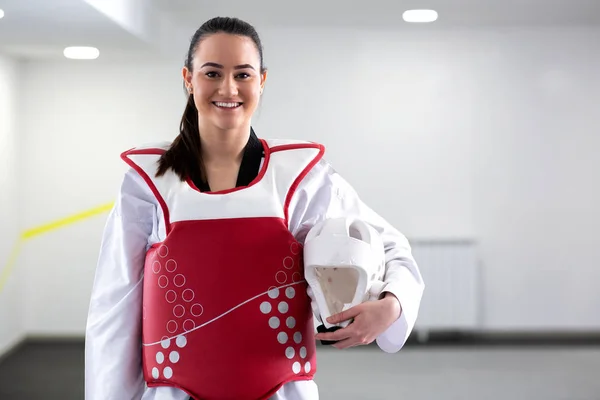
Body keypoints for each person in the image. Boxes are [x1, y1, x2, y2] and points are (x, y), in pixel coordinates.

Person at [84, 16, 424, 400]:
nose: (228, 88)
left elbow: (391, 245)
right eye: (212, 73)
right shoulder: (148, 181)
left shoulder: (300, 178)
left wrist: (392, 306)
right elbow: (114, 309)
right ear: (188, 78)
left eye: (242, 75)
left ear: (261, 81)